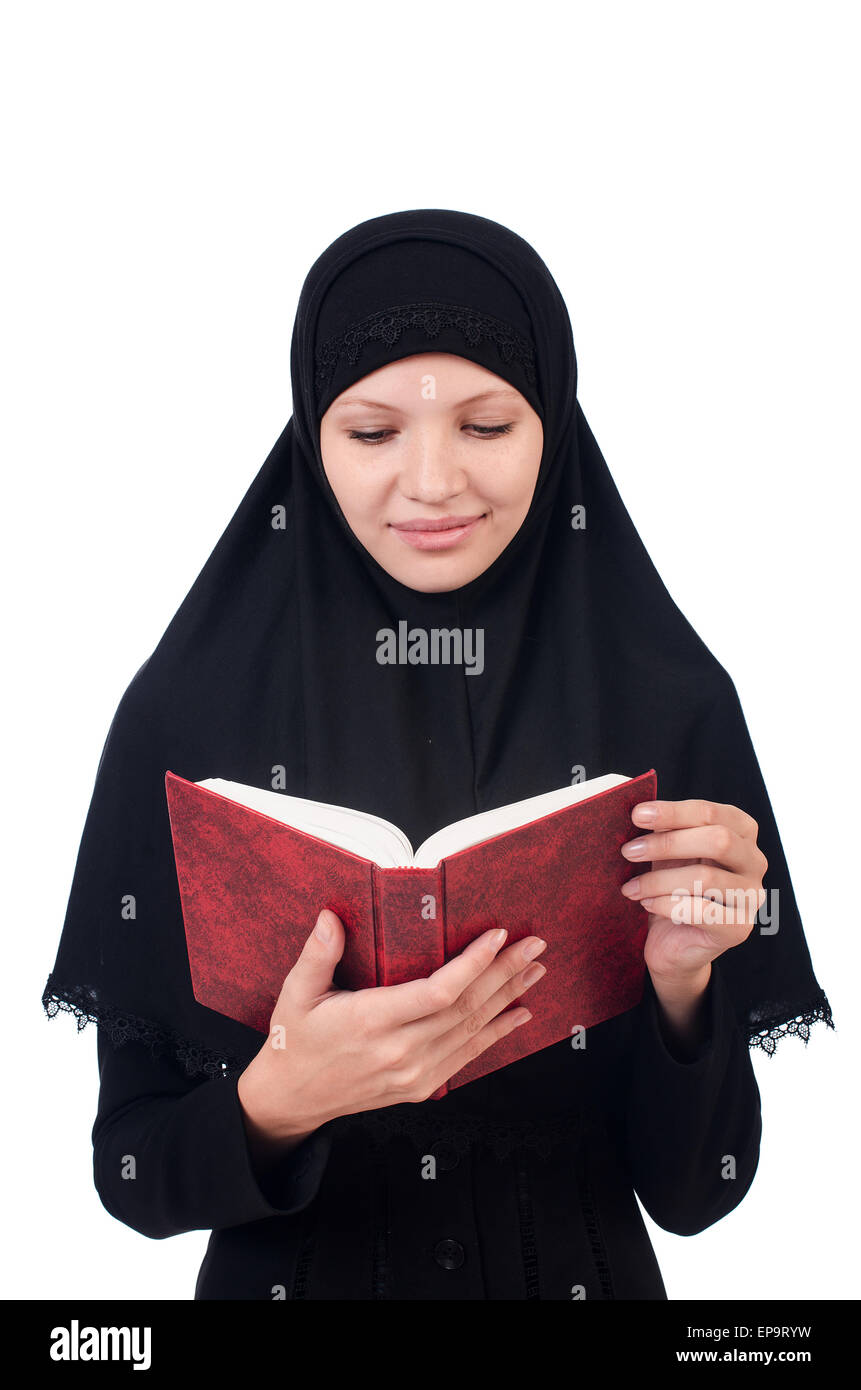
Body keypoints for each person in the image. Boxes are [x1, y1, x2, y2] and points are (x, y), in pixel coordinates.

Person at [42, 208, 833, 1300]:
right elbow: (131, 1176)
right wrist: (285, 1094)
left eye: (487, 426)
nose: (433, 483)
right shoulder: (185, 718)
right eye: (372, 434)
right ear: (311, 437)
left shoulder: (672, 709)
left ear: (553, 421)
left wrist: (683, 984)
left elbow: (703, 1192)